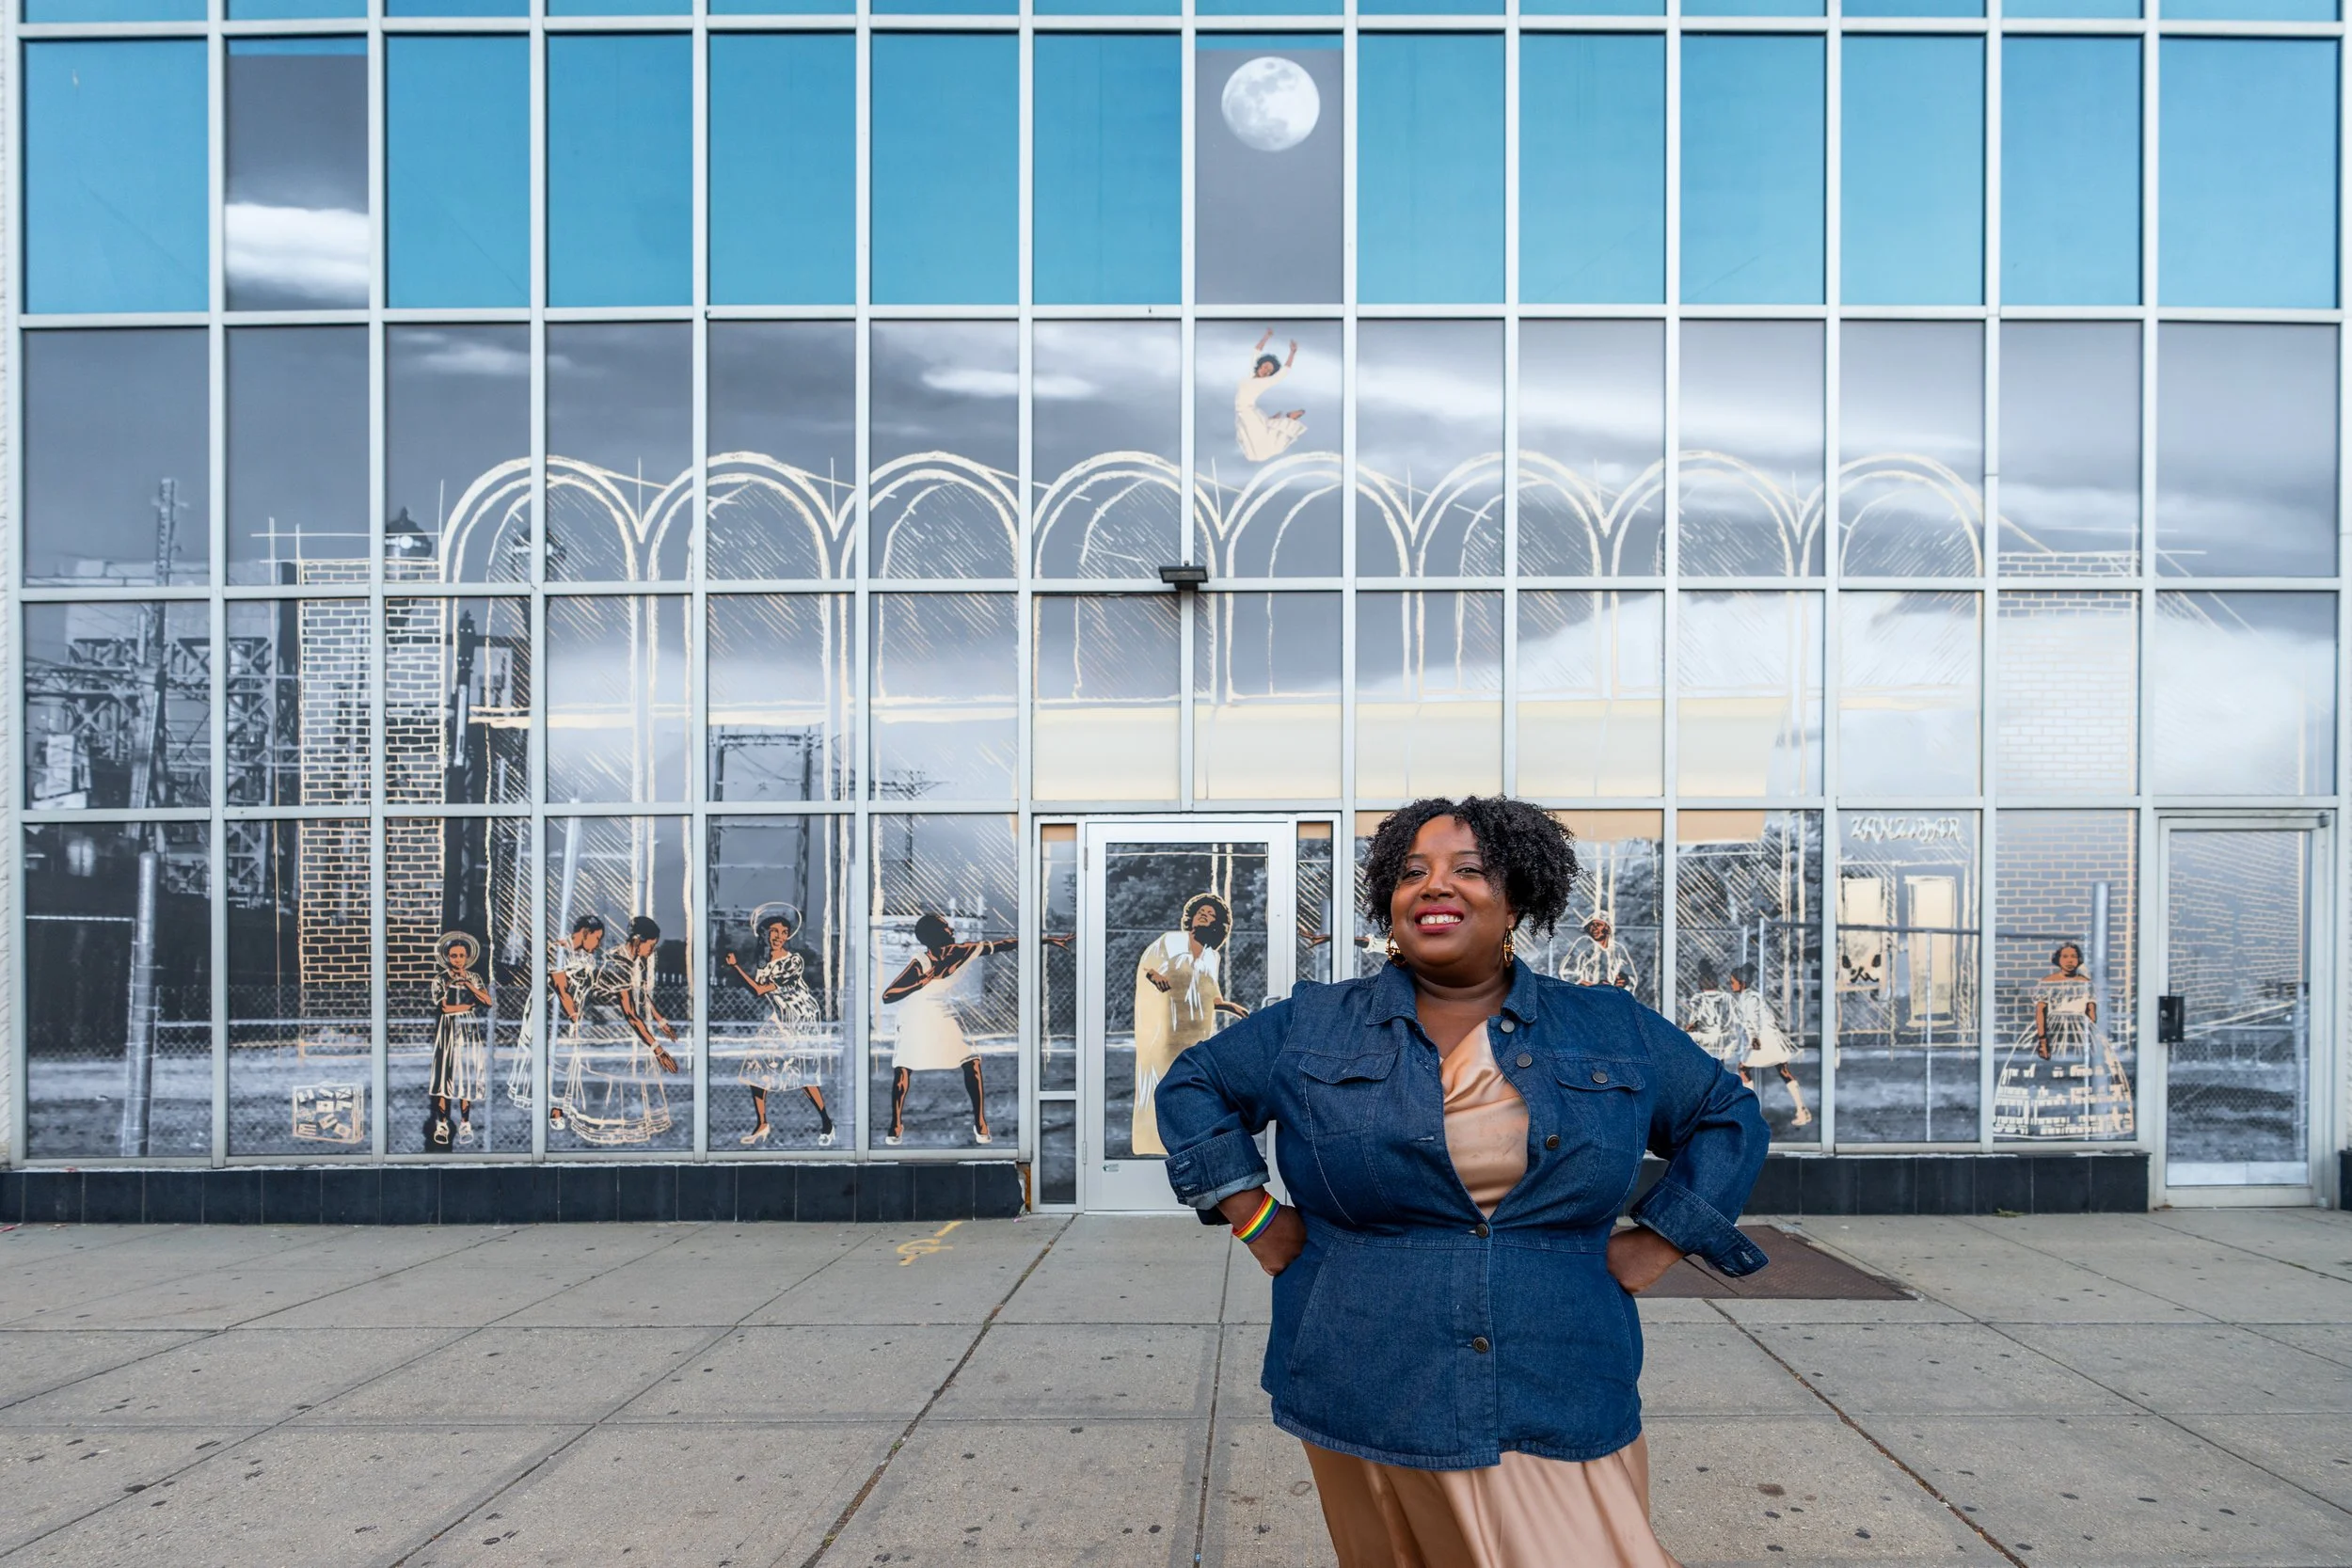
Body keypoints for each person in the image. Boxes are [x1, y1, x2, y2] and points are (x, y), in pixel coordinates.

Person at [1158, 796, 1770, 1568]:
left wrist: (1662, 1239)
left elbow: (1728, 1114)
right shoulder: (1316, 1024)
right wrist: (1253, 1216)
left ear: (1517, 899)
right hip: (1371, 1371)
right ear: (1389, 899)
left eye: (1469, 870)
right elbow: (1191, 1085)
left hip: (1558, 1371)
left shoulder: (1610, 1026)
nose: (1434, 886)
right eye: (1412, 872)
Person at [882, 913, 1065, 1147]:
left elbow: (1003, 945)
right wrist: (921, 982)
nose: (951, 930)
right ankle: (895, 1124)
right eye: (946, 928)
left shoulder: (963, 951)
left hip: (941, 1010)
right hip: (915, 1014)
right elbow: (888, 995)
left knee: (972, 1061)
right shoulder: (921, 962)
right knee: (904, 1067)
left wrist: (1046, 940)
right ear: (934, 935)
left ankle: (980, 1122)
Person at [1130, 893, 1252, 1157]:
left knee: (1190, 1085)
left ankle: (1187, 1142)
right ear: (1191, 917)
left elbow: (1210, 994)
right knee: (1159, 1083)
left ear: (1217, 924)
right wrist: (1155, 974)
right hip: (1165, 1031)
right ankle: (1154, 1144)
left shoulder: (1212, 956)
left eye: (1211, 915)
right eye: (1201, 913)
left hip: (1195, 1031)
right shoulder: (1170, 941)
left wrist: (1230, 1006)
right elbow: (1145, 967)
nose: (1205, 917)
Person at [1992, 942, 2133, 1139]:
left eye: (2073, 957)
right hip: (2053, 1028)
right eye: (2065, 957)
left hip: (2081, 1030)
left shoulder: (2086, 984)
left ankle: (2082, 1121)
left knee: (2085, 1075)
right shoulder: (2048, 982)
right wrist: (2042, 1039)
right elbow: (2040, 1012)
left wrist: (2094, 1038)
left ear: (2079, 960)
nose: (2069, 961)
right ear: (2058, 960)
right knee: (2045, 1076)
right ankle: (2040, 1122)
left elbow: (2091, 1012)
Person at [723, 904, 834, 1147]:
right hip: (780, 1016)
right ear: (763, 933)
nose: (778, 936)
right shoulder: (764, 963)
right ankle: (762, 1123)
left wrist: (735, 968)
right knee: (755, 1064)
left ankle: (827, 1122)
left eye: (783, 932)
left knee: (804, 1075)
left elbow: (759, 989)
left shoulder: (793, 961)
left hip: (801, 1017)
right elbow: (761, 994)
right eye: (774, 931)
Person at [426, 931, 492, 1151]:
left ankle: (465, 1123)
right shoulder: (440, 979)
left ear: (467, 957)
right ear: (447, 957)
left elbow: (487, 1000)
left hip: (467, 1029)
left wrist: (469, 986)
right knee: (445, 1076)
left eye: (461, 955)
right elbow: (444, 1007)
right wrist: (467, 1006)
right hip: (448, 1029)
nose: (458, 960)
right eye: (453, 955)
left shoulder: (474, 978)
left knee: (466, 1076)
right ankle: (442, 1124)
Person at [1727, 964, 1812, 1130]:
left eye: (1733, 982)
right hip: (1771, 1037)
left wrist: (1753, 1038)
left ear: (1742, 983)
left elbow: (1751, 1021)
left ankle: (1750, 1113)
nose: (1731, 985)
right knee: (1783, 1071)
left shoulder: (1747, 999)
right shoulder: (1754, 996)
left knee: (1743, 1069)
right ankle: (1802, 1109)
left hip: (1762, 1040)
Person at [1236, 328, 1307, 463]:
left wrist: (1292, 353)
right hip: (1243, 413)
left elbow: (1283, 373)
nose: (1265, 371)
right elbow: (1256, 352)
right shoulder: (1252, 374)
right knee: (1254, 451)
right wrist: (1266, 337)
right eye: (1264, 367)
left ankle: (1286, 420)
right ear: (1259, 365)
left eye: (1269, 371)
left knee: (1258, 450)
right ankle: (1272, 421)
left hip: (1247, 412)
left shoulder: (1265, 382)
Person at [1560, 913, 1640, 992]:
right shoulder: (1584, 944)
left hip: (1609, 996)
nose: (1594, 928)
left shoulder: (1618, 949)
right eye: (1590, 926)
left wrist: (1622, 982)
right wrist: (1591, 986)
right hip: (1587, 994)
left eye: (1598, 924)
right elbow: (1567, 972)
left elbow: (1631, 977)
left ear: (1607, 928)